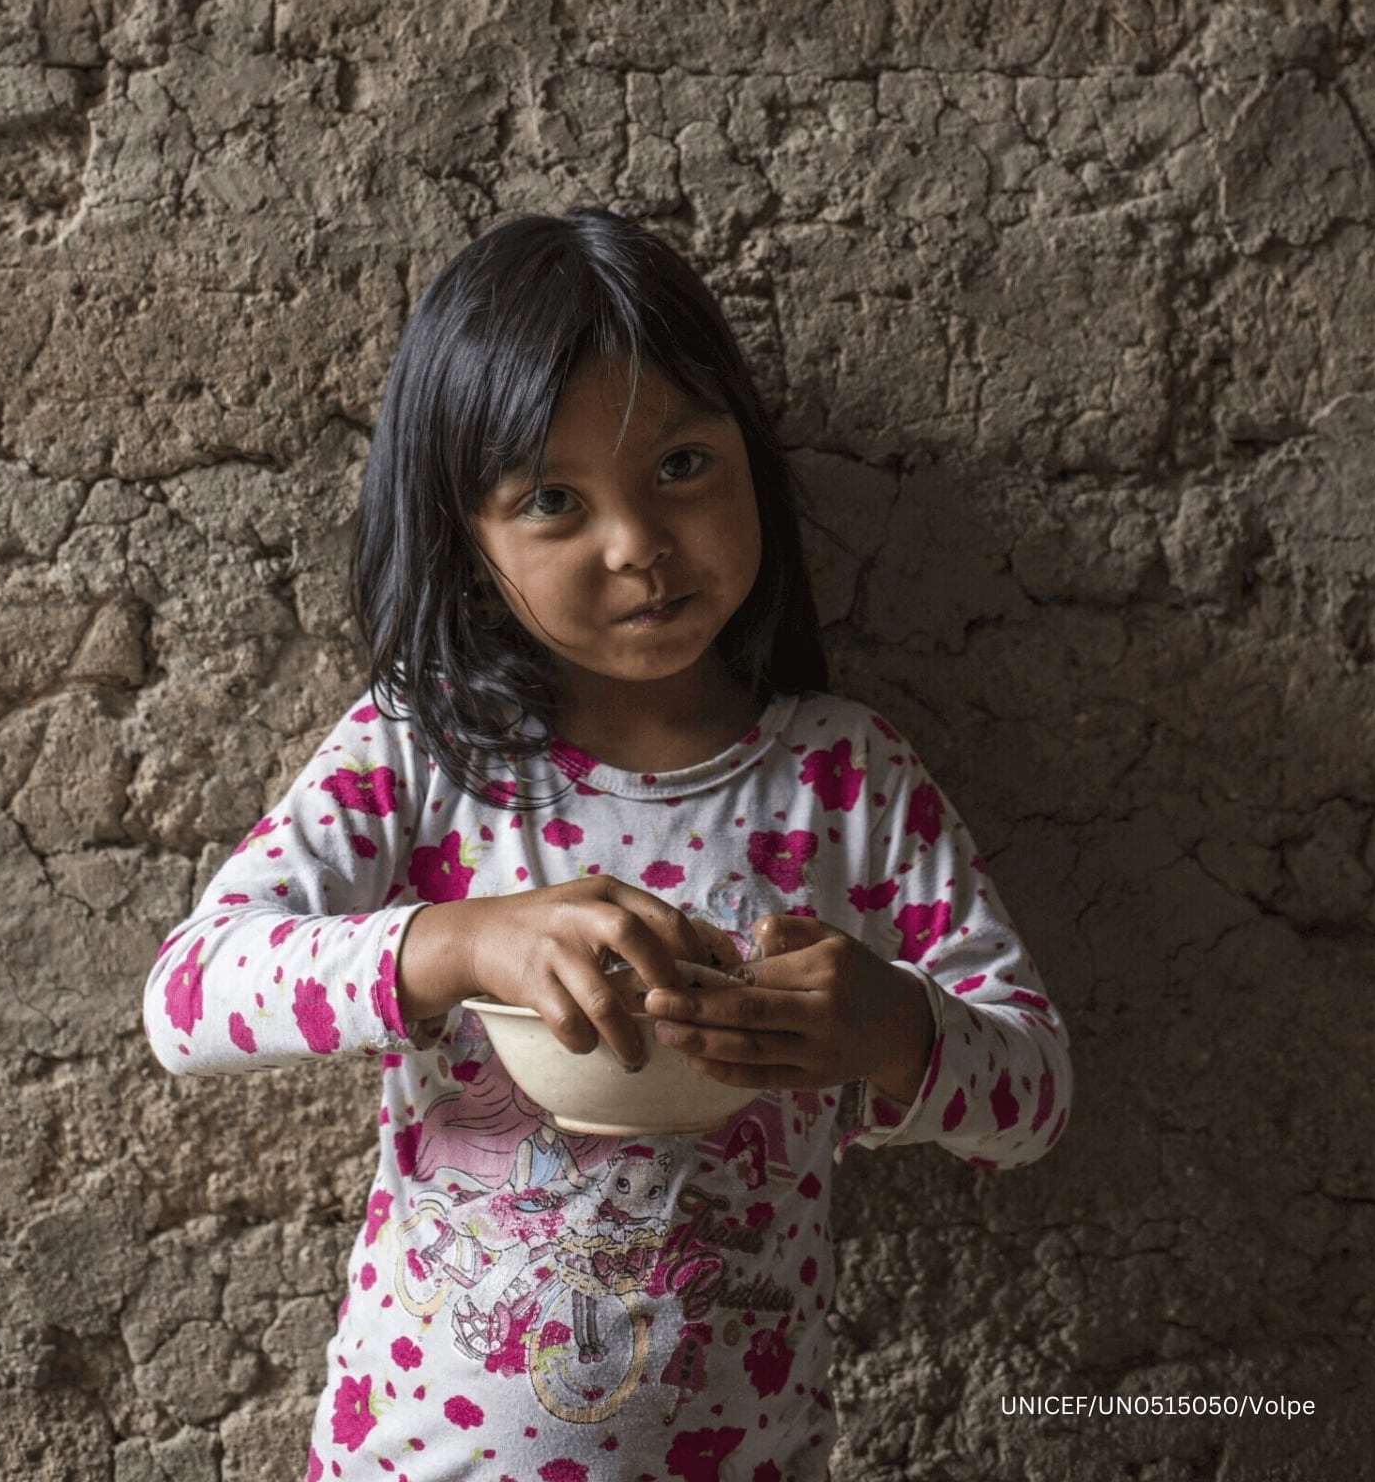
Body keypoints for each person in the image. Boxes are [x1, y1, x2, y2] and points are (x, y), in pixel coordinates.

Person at [143, 208, 1072, 1481]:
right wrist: (460, 943)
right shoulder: (419, 755)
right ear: (471, 547)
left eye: (682, 465)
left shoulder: (841, 778)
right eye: (554, 502)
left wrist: (889, 1030)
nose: (637, 544)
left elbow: (1033, 1092)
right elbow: (189, 997)